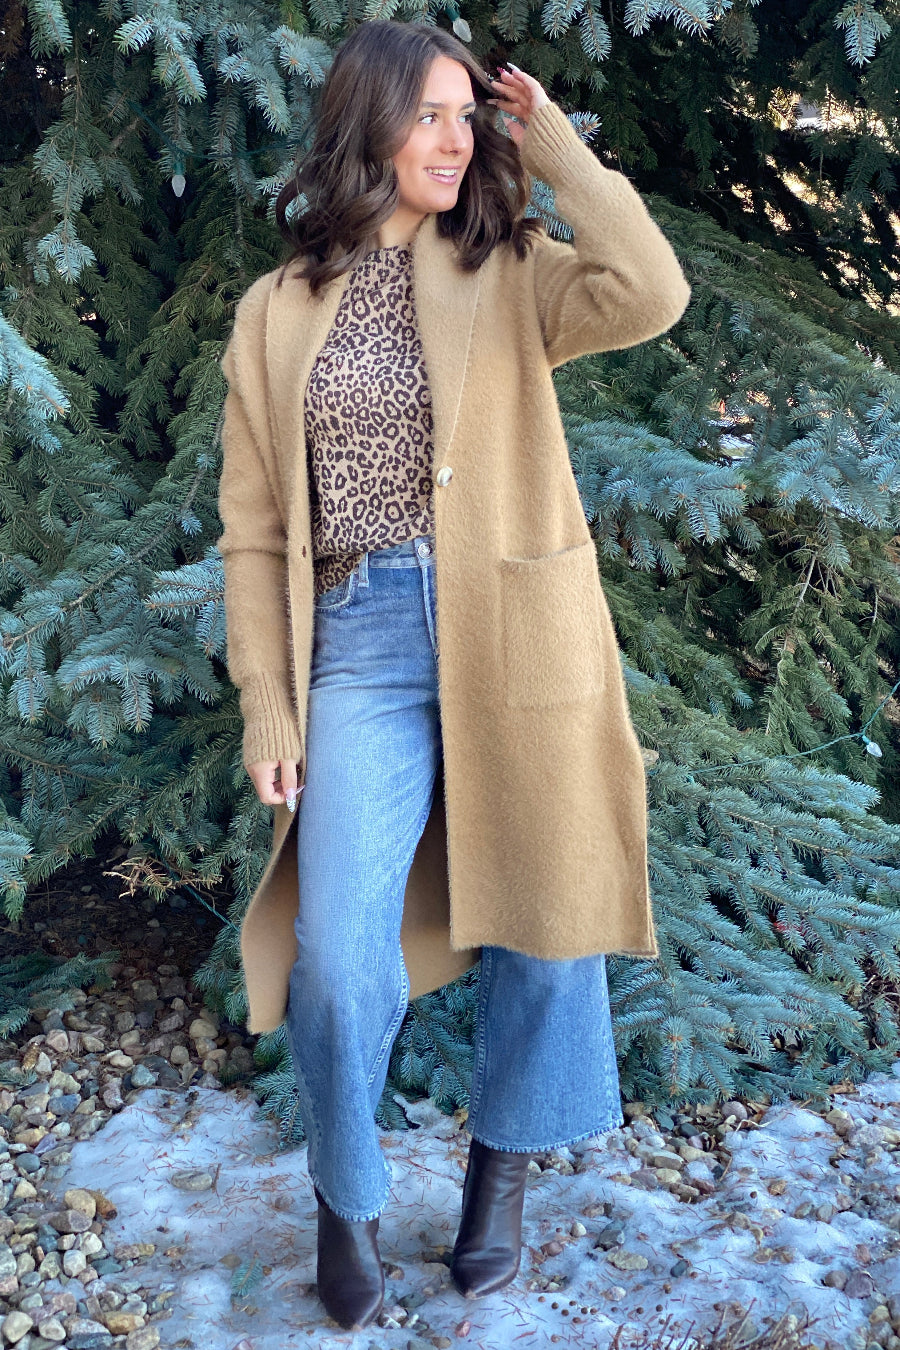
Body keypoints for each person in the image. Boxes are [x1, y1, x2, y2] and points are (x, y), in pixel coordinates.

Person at [216, 17, 690, 1333]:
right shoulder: (274, 311)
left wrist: (561, 153)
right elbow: (253, 527)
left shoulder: (513, 269)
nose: (453, 138)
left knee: (546, 912)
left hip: (517, 623)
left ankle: (501, 1174)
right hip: (358, 644)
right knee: (335, 956)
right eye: (425, 114)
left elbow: (651, 291)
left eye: (464, 115)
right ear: (363, 125)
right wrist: (269, 700)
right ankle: (346, 1192)